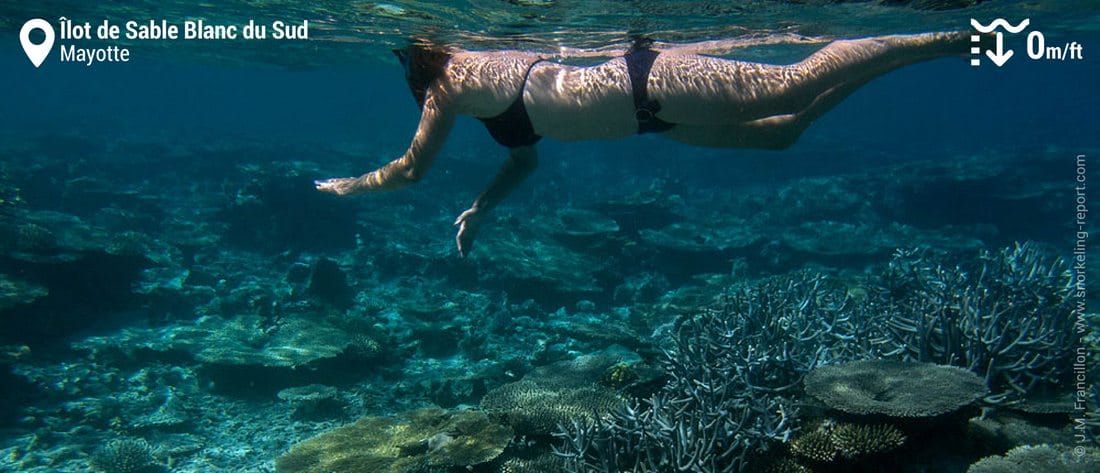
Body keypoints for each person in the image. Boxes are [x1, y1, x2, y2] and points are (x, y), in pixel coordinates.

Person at [316, 32, 975, 256]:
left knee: (792, 85)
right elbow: (524, 158)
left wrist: (353, 186)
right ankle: (896, 58)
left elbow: (411, 169)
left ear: (416, 67)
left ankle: (941, 39)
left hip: (645, 82)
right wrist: (484, 207)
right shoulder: (478, 97)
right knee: (784, 132)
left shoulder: (450, 82)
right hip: (654, 117)